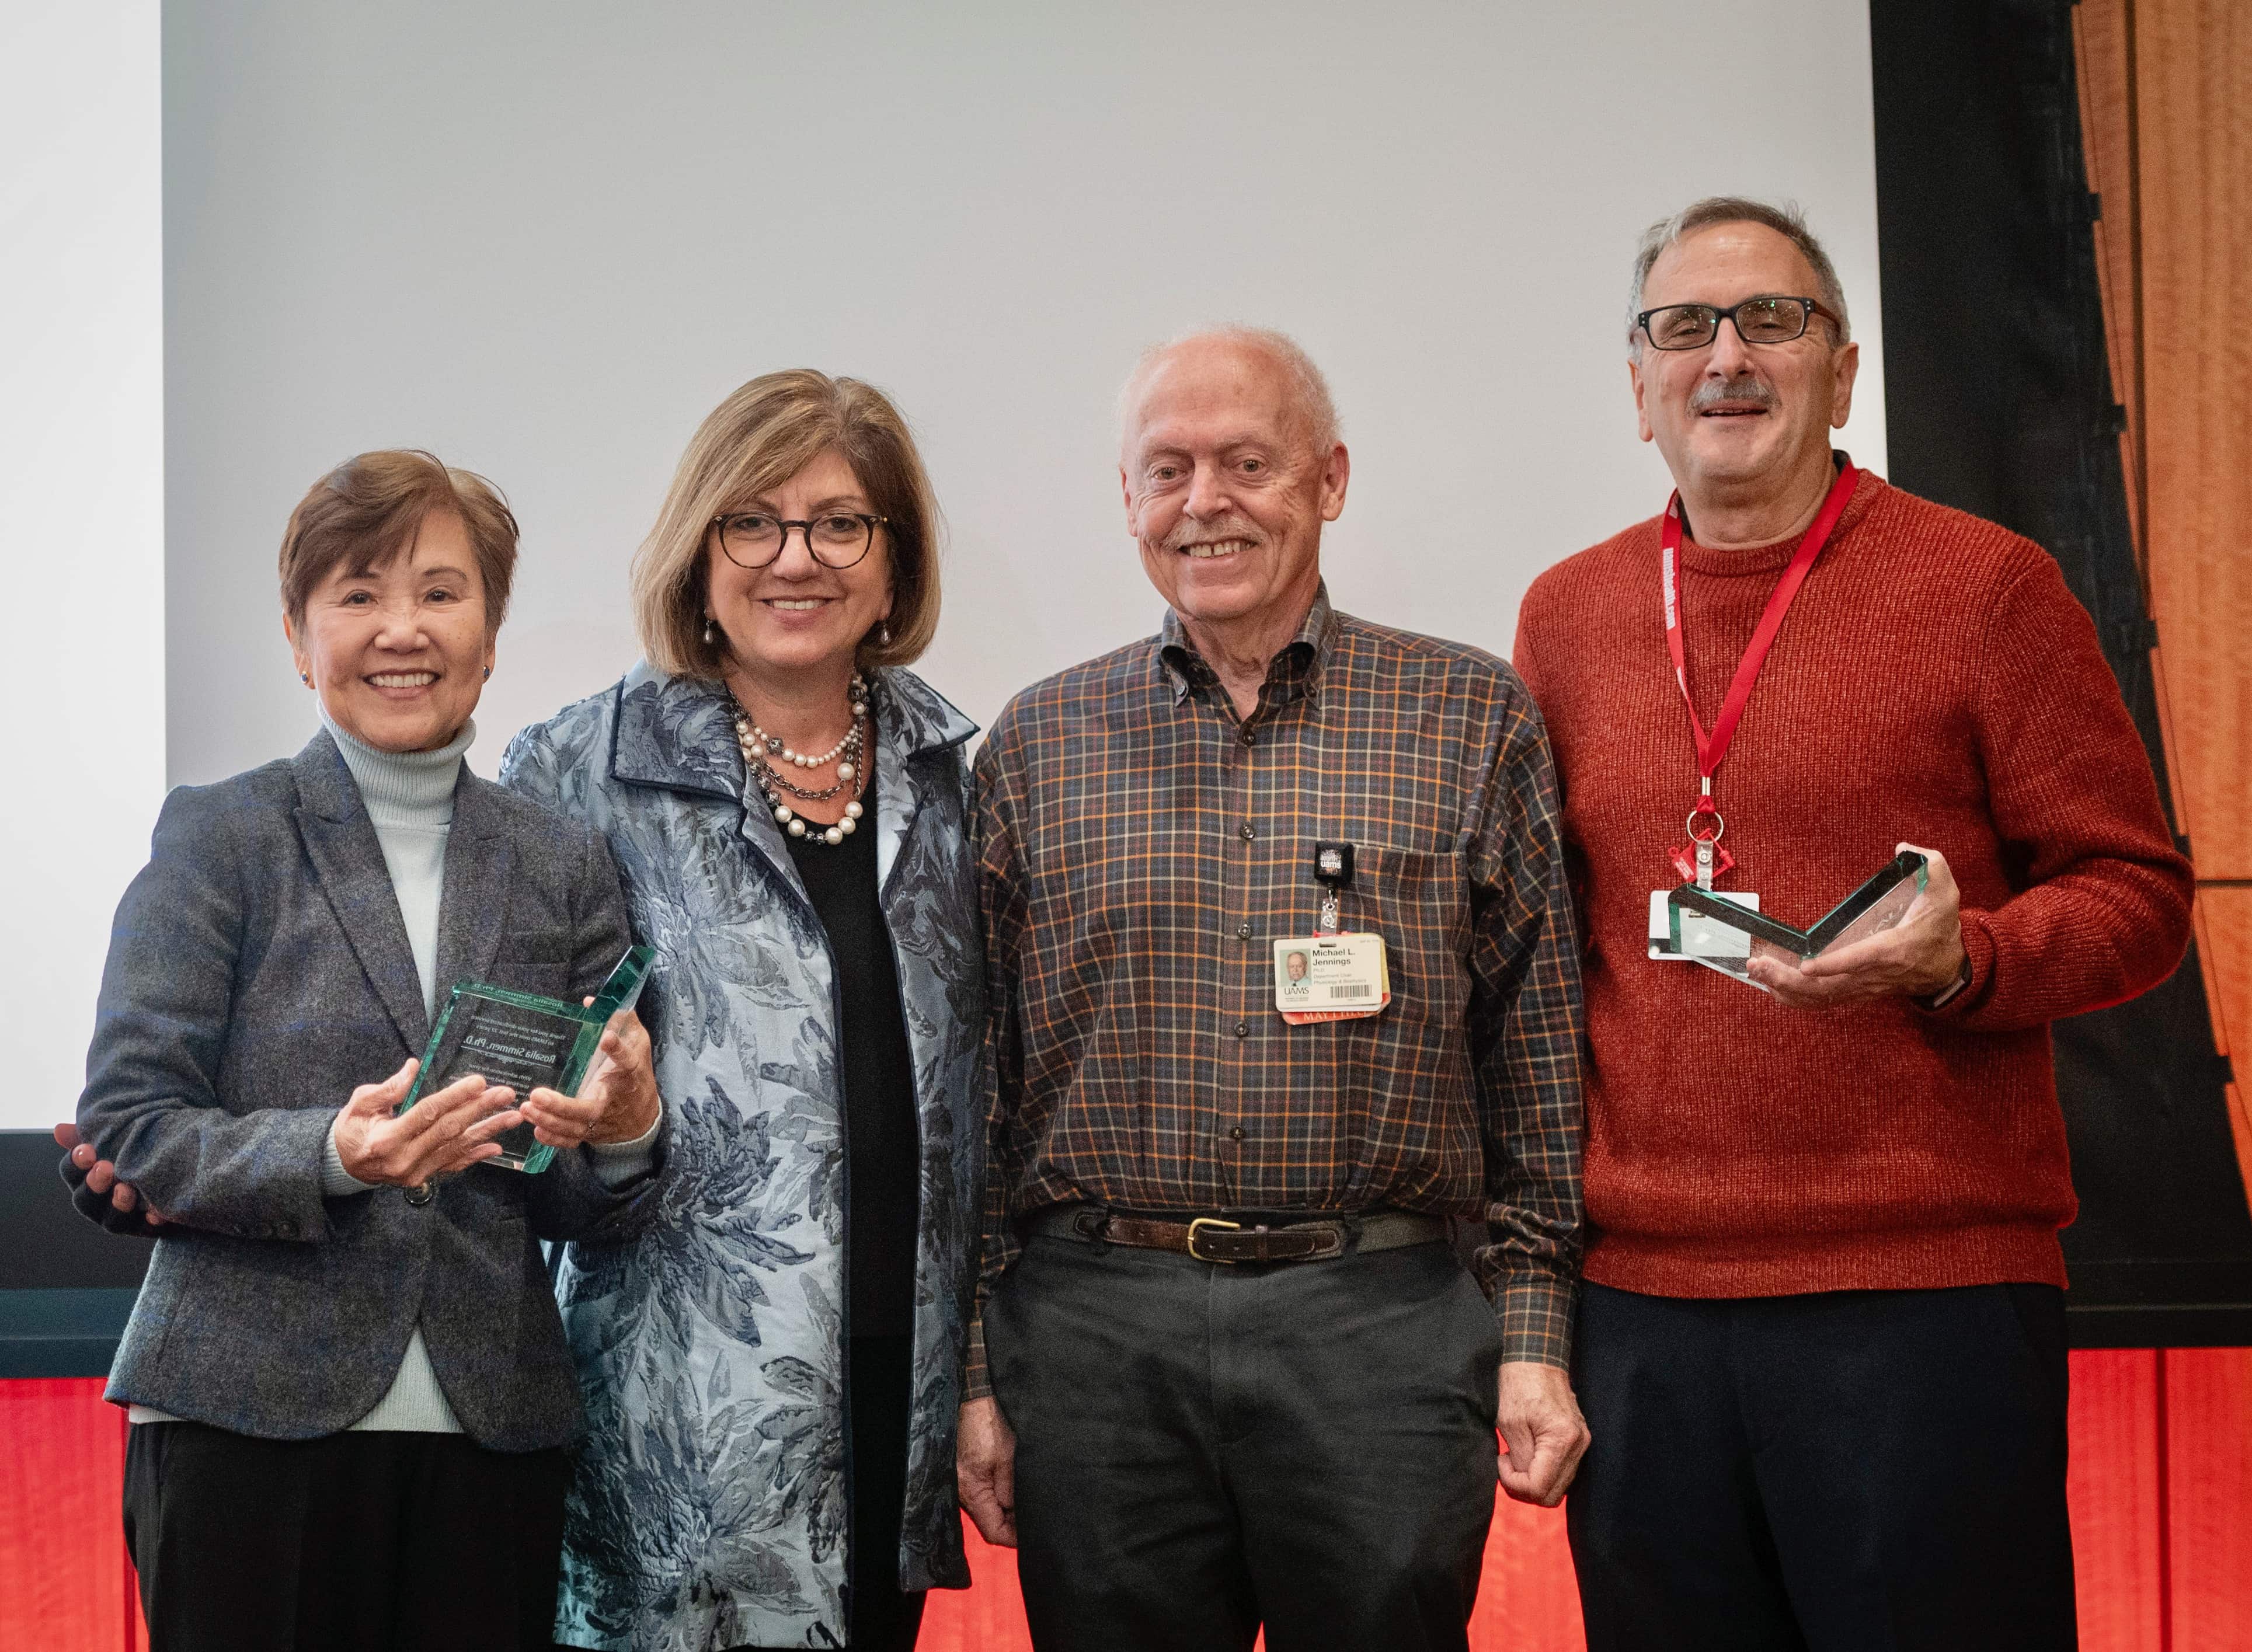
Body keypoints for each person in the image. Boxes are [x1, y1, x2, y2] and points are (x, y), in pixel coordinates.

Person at [1512, 197, 2196, 1650]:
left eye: (1775, 319)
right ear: (1636, 387)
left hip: (1925, 1301)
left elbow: (2138, 894)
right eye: (1682, 326)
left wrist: (1972, 961)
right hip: (1641, 1310)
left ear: (1845, 370)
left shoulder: (1989, 587)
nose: (1727, 357)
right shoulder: (1564, 617)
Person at [957, 326, 1589, 1652]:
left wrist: (1531, 1333)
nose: (1207, 501)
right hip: (1096, 1338)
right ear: (1126, 498)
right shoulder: (1036, 743)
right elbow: (981, 1091)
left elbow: (1534, 1060)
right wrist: (975, 1372)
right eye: (1168, 468)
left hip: (1383, 1332)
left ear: (1330, 480)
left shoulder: (1472, 717)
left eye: (1249, 461)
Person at [58, 450, 666, 1652]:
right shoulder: (220, 833)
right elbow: (133, 1119)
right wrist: (333, 1153)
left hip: (493, 1432)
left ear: (489, 636)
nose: (403, 628)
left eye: (442, 592)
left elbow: (586, 1202)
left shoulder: (564, 862)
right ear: (299, 634)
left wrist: (626, 1126)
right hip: (244, 1422)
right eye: (357, 592)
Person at [500, 370, 981, 1652]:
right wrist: (615, 1128)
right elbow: (512, 1130)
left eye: (841, 523)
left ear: (894, 561)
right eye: (753, 522)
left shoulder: (956, 781)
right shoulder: (579, 772)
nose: (797, 559)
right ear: (698, 552)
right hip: (675, 1417)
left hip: (898, 1392)